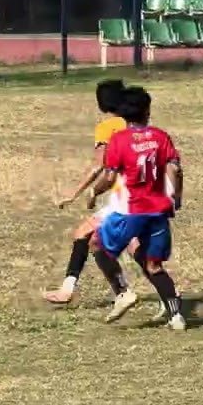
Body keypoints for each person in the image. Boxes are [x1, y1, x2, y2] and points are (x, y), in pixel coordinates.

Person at [43, 79, 153, 306]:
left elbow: (99, 165)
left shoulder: (107, 127)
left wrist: (76, 193)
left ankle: (82, 291)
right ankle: (164, 292)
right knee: (129, 244)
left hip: (125, 197)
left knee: (85, 235)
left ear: (101, 103)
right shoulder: (133, 122)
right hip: (144, 192)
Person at [89, 86, 187, 330]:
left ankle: (122, 291)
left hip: (131, 210)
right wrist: (176, 197)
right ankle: (176, 316)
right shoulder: (161, 136)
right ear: (147, 111)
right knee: (154, 265)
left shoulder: (119, 140)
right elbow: (175, 169)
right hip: (159, 210)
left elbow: (109, 177)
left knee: (96, 244)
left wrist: (93, 192)